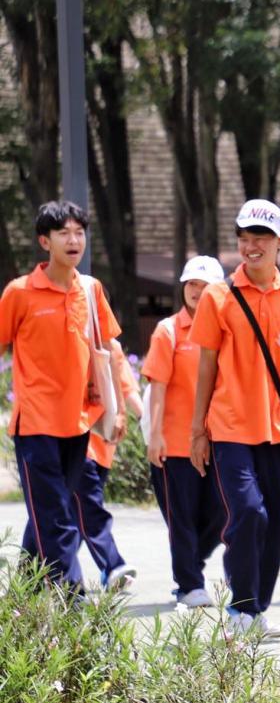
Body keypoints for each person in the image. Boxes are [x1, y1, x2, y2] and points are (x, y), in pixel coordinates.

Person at [189, 199, 280, 637]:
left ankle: (256, 611)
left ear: (279, 241)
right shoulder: (218, 296)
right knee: (249, 513)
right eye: (245, 238)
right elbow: (206, 367)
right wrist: (197, 431)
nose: (252, 247)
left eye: (261, 238)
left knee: (274, 521)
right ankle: (240, 607)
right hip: (230, 427)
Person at [0, 201, 126, 587]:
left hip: (78, 424)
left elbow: (109, 350)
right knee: (57, 519)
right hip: (35, 424)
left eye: (79, 233)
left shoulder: (90, 290)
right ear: (45, 241)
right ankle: (74, 601)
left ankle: (24, 589)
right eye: (63, 233)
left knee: (51, 513)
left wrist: (119, 408)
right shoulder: (20, 293)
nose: (74, 241)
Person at [143, 255, 226, 608]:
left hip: (218, 440)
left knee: (222, 512)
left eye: (205, 286)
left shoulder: (226, 330)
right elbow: (158, 387)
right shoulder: (168, 330)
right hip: (176, 443)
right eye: (192, 284)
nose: (197, 291)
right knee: (182, 518)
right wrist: (156, 435)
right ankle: (189, 584)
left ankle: (189, 562)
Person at [72, 341, 142, 590]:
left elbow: (126, 387)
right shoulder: (71, 339)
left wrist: (146, 420)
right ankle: (112, 564)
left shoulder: (111, 345)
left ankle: (29, 572)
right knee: (88, 508)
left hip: (103, 445)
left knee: (67, 514)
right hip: (76, 442)